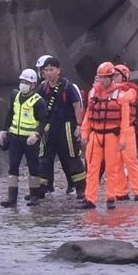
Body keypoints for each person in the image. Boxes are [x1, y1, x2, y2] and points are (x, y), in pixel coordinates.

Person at [34, 55, 86, 200]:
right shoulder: (42, 88)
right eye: (46, 70)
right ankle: (42, 188)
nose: (49, 73)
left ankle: (80, 188)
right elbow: (36, 106)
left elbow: (77, 105)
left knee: (72, 156)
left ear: (58, 70)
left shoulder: (67, 86)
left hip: (66, 126)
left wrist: (79, 125)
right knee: (44, 158)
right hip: (49, 126)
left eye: (52, 69)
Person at [81, 62, 131, 210]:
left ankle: (111, 197)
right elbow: (88, 116)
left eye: (104, 78)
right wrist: (85, 133)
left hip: (112, 136)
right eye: (99, 78)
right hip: (96, 136)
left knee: (112, 168)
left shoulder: (121, 95)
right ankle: (90, 198)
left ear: (111, 78)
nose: (101, 81)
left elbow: (125, 120)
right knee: (92, 168)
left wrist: (123, 139)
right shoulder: (93, 93)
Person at [0, 69, 48, 207]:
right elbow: (10, 114)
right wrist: (3, 130)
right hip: (15, 137)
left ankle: (34, 195)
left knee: (33, 167)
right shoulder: (15, 96)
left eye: (26, 82)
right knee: (13, 166)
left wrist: (36, 135)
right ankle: (11, 198)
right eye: (22, 82)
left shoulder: (38, 101)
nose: (23, 84)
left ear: (33, 85)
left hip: (30, 139)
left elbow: (44, 121)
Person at [109, 64, 138, 203]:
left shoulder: (131, 89)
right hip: (114, 130)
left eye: (116, 76)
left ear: (124, 76)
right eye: (112, 76)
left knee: (131, 162)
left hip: (128, 129)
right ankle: (121, 191)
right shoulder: (112, 91)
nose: (114, 79)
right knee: (117, 162)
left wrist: (115, 91)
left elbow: (126, 99)